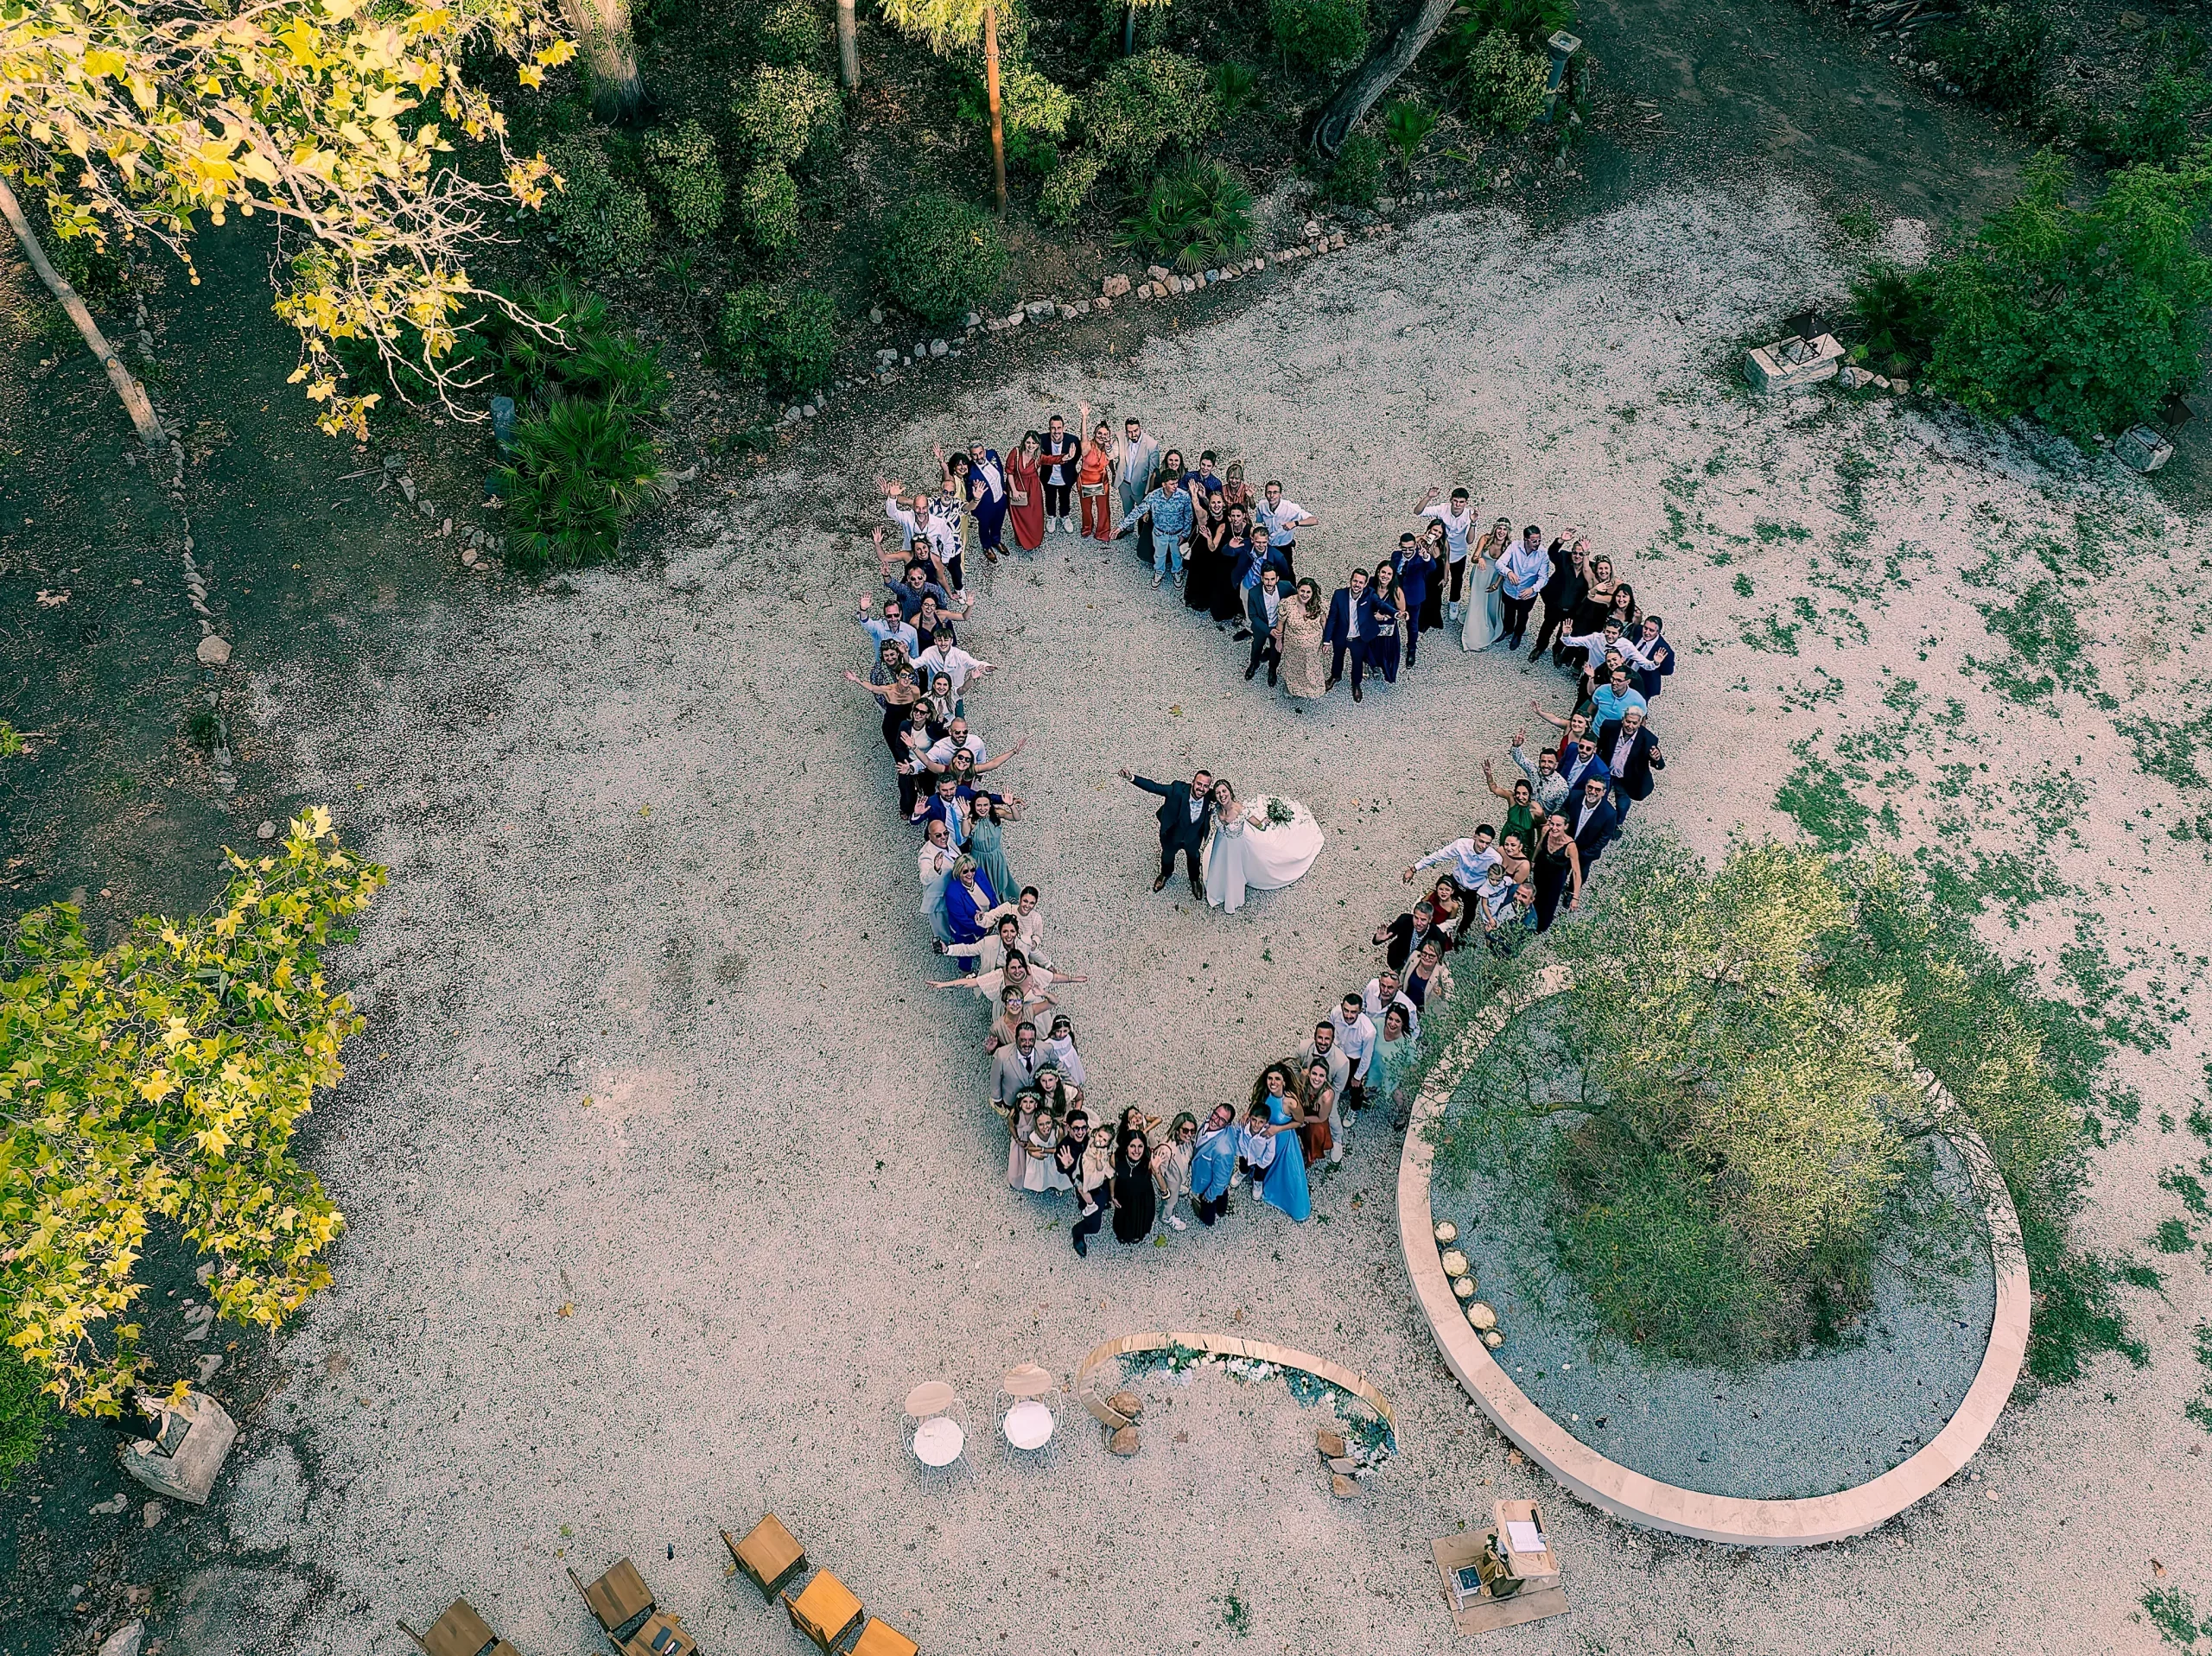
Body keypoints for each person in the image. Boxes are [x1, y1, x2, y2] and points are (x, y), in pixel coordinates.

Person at [1202, 778, 1324, 914]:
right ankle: (1216, 890)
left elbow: (1259, 826)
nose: (1222, 795)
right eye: (1218, 793)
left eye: (1224, 791)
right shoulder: (1214, 809)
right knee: (1218, 866)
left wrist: (1265, 822)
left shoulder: (1241, 810)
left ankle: (1232, 896)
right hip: (1220, 845)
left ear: (1230, 792)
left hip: (1235, 847)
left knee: (1233, 870)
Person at [1119, 765, 1216, 897]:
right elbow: (1155, 787)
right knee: (1167, 857)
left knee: (1194, 858)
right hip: (1172, 836)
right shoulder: (1177, 790)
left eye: (1205, 786)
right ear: (1192, 783)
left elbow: (1226, 798)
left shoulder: (1210, 797)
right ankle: (1165, 874)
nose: (1201, 788)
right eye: (1199, 784)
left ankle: (1194, 880)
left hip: (1193, 838)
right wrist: (1131, 778)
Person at [1247, 1067, 1311, 1221]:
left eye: (1277, 1079)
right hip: (1265, 1135)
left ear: (1283, 1081)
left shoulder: (1290, 1102)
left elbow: (1300, 1122)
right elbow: (1256, 1105)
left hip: (1282, 1138)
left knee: (1288, 1172)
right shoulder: (1264, 1093)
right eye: (1270, 1079)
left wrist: (1278, 1128)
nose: (1273, 1082)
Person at [1415, 485, 1478, 624]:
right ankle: (1429, 603)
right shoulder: (1442, 509)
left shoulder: (1469, 515)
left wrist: (1473, 524)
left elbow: (1470, 541)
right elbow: (1418, 511)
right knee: (1434, 578)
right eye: (1455, 501)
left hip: (1459, 553)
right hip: (1440, 551)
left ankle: (1454, 602)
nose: (1457, 504)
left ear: (1466, 503)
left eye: (1461, 502)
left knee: (1457, 579)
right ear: (1451, 500)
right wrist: (1428, 497)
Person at [1598, 706, 1664, 818]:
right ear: (1623, 719)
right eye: (1628, 721)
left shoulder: (1648, 739)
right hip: (1606, 772)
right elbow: (1601, 745)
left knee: (1622, 804)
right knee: (1598, 795)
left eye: (1634, 723)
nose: (1630, 726)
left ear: (1640, 723)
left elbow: (1660, 765)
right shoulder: (1609, 727)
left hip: (1626, 779)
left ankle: (1618, 822)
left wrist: (1657, 758)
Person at [1111, 416, 1160, 567]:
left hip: (1140, 486)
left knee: (1143, 513)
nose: (1133, 434)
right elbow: (1112, 454)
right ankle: (1128, 527)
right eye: (1129, 432)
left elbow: (1154, 471)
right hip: (1124, 483)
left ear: (1140, 428)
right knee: (1127, 508)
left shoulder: (1152, 445)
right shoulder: (1120, 437)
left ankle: (1142, 535)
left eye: (1135, 431)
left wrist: (1148, 492)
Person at [1062, 1113, 1111, 1256]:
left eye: (1084, 1128)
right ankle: (1078, 1231)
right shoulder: (1068, 1147)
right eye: (1076, 1129)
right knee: (1095, 1226)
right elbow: (1067, 1169)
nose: (1081, 1132)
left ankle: (1102, 1203)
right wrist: (1069, 1166)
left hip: (1102, 1183)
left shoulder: (1093, 1141)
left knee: (1104, 1200)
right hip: (1087, 1186)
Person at [1496, 520, 1549, 651]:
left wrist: (1533, 589)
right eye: (1534, 541)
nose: (1537, 543)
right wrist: (1508, 572)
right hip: (1509, 589)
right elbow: (1499, 564)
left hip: (1528, 593)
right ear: (1525, 539)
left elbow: (1544, 578)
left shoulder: (1543, 554)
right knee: (1508, 611)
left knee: (1523, 615)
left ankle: (1518, 634)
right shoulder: (1514, 546)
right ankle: (1507, 629)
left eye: (1539, 540)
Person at [1368, 1003, 1420, 1131]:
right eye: (1390, 1019)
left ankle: (1402, 1114)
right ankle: (1370, 1095)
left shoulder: (1408, 1043)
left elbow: (1414, 1064)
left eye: (1397, 1021)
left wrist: (1406, 1078)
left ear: (1403, 1023)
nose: (1392, 1023)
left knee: (1397, 1096)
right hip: (1373, 1068)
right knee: (1371, 1086)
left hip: (1392, 1075)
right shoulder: (1376, 1024)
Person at [1357, 562, 1407, 695]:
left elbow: (1401, 610)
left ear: (1393, 576)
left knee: (1384, 651)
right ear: (1378, 572)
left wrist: (1394, 616)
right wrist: (1374, 615)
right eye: (1383, 572)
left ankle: (1378, 667)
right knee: (1367, 648)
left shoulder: (1396, 591)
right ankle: (1366, 664)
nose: (1385, 576)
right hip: (1371, 627)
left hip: (1387, 630)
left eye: (1389, 574)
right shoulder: (1370, 588)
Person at [1402, 824, 1499, 891]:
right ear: (1474, 837)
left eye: (1488, 843)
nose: (1484, 846)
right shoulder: (1462, 844)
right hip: (1455, 880)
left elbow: (1496, 878)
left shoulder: (1495, 858)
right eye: (1481, 841)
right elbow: (1439, 855)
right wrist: (1414, 869)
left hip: (1474, 889)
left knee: (1469, 915)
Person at [1398, 527, 1445, 667]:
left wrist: (1425, 556)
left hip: (1414, 597)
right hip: (1397, 596)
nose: (1407, 551)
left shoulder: (1421, 558)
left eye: (1410, 548)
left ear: (1415, 547)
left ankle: (1411, 649)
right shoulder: (1396, 556)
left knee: (1412, 626)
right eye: (1404, 548)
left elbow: (1431, 566)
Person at [1254, 481, 1316, 585]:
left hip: (1284, 548)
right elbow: (1260, 522)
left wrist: (1295, 523)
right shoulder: (1261, 505)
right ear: (1265, 494)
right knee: (1267, 575)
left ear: (1280, 494)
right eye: (1269, 492)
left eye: (1275, 492)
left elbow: (1314, 520)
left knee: (1287, 575)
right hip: (1268, 547)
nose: (1272, 496)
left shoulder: (1290, 508)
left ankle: (1292, 597)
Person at [1530, 811, 1585, 930]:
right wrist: (1533, 860)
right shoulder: (1546, 831)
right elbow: (1539, 845)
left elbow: (1576, 872)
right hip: (1540, 870)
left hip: (1555, 877)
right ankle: (1529, 920)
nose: (1554, 828)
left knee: (1548, 903)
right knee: (1535, 895)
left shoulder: (1570, 846)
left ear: (1566, 826)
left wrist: (1575, 897)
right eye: (1552, 824)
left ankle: (1541, 927)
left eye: (1558, 825)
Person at [1277, 577, 1329, 699]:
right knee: (1293, 668)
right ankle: (1291, 687)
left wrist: (1327, 641)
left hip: (1313, 649)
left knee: (1311, 669)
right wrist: (1279, 641)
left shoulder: (1319, 604)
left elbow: (1323, 622)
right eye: (1302, 591)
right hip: (1293, 648)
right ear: (1298, 589)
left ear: (1313, 592)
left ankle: (1310, 690)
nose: (1304, 595)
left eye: (1308, 592)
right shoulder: (1287, 604)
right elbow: (1280, 624)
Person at [1460, 518, 1506, 650]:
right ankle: (1474, 634)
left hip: (1496, 577)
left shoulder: (1508, 545)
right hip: (1480, 574)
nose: (1501, 532)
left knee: (1492, 604)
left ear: (1507, 532)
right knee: (1478, 602)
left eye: (1504, 529)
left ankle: (1493, 624)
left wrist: (1497, 584)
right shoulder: (1485, 539)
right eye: (1499, 528)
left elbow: (1506, 567)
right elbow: (1474, 558)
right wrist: (1480, 558)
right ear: (1495, 529)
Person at [1372, 899, 1456, 972]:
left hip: (1418, 969)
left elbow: (1438, 960)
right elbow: (1386, 935)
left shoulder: (1438, 936)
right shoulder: (1404, 920)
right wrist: (1378, 939)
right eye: (1416, 918)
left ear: (1430, 920)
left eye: (1423, 920)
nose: (1418, 923)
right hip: (1397, 960)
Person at [1322, 566, 1369, 695]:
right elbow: (1332, 618)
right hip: (1341, 635)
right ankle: (1335, 676)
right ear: (1350, 580)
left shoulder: (1369, 597)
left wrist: (1395, 614)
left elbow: (1381, 606)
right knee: (1337, 657)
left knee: (1357, 661)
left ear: (1365, 584)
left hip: (1358, 638)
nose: (1357, 585)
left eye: (1360, 582)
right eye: (1355, 581)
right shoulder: (1339, 594)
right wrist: (1326, 640)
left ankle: (1356, 683)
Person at [967, 794, 1022, 901]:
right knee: (983, 885)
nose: (982, 809)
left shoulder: (997, 813)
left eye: (985, 805)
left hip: (996, 857)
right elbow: (964, 834)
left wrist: (1011, 805)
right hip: (979, 858)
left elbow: (1017, 818)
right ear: (974, 806)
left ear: (990, 805)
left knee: (1000, 881)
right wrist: (965, 817)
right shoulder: (971, 820)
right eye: (979, 805)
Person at [1217, 504, 1263, 630]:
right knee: (1226, 586)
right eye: (1233, 516)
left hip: (1242, 562)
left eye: (1238, 515)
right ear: (1230, 516)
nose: (1236, 518)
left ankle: (1240, 611)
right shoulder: (1225, 527)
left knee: (1241, 589)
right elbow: (1218, 547)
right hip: (1227, 560)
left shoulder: (1250, 530)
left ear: (1244, 516)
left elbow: (1258, 545)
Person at [1567, 771, 1621, 873]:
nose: (1592, 792)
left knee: (1580, 873)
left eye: (1597, 789)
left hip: (1586, 853)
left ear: (1604, 792)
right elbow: (1563, 814)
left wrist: (1583, 854)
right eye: (1590, 787)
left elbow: (1603, 838)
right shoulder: (1574, 796)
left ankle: (1572, 889)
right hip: (1566, 845)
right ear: (1586, 787)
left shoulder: (1610, 814)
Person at [1110, 1131, 1158, 1243]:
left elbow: (1163, 1188)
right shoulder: (1115, 1158)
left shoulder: (1149, 1160)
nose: (1136, 1151)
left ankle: (1138, 1234)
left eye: (1140, 1146)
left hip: (1143, 1196)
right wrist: (1112, 1195)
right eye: (1132, 1146)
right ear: (1126, 1147)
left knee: (1141, 1218)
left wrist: (1157, 1171)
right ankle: (1123, 1235)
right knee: (1123, 1218)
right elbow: (1112, 1176)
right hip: (1123, 1194)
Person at [1039, 412, 1082, 534]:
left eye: (1059, 428)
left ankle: (1065, 516)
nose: (1056, 431)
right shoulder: (1042, 439)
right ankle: (1051, 516)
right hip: (1048, 477)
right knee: (1050, 497)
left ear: (1063, 428)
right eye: (1053, 428)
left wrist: (1070, 466)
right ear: (1049, 428)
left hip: (1066, 477)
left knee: (1065, 497)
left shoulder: (1072, 440)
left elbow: (1076, 456)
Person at [1153, 1113, 1198, 1231]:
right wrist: (1164, 1190)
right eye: (1186, 1131)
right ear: (1177, 1130)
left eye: (1192, 1131)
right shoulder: (1166, 1150)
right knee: (1170, 1202)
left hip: (1178, 1179)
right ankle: (1166, 1217)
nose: (1189, 1135)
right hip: (1170, 1183)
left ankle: (1178, 1189)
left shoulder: (1187, 1142)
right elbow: (1157, 1172)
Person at [1076, 404, 1114, 541]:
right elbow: (1083, 435)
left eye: (1105, 434)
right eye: (1099, 433)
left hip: (1102, 481)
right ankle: (1087, 527)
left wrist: (1114, 474)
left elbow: (1112, 461)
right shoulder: (1087, 446)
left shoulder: (1108, 448)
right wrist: (1084, 417)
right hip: (1086, 481)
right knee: (1086, 508)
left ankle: (1103, 531)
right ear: (1095, 434)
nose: (1102, 436)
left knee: (1103, 507)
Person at [943, 854, 1000, 946]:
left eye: (972, 870)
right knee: (966, 956)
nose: (970, 874)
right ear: (958, 872)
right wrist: (984, 929)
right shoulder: (952, 894)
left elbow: (991, 894)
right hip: (967, 931)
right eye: (965, 872)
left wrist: (994, 916)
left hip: (987, 921)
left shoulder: (979, 874)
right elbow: (963, 919)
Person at [1006, 430, 1046, 553]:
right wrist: (1014, 490)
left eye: (1034, 443)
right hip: (1017, 485)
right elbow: (1009, 472)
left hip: (1033, 487)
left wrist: (1066, 457)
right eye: (1028, 442)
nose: (1030, 446)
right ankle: (1022, 539)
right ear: (1024, 442)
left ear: (1038, 444)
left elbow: (1051, 460)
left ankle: (1034, 539)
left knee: (1034, 514)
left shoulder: (1038, 456)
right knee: (1019, 514)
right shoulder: (1016, 452)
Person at [1244, 565, 1284, 684]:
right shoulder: (1253, 593)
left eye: (1272, 579)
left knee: (1276, 651)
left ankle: (1272, 670)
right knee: (1257, 646)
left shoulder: (1286, 588)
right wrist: (1268, 630)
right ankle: (1254, 664)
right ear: (1262, 578)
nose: (1269, 583)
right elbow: (1253, 616)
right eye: (1266, 579)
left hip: (1278, 628)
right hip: (1261, 627)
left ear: (1277, 579)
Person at [990, 1020, 1043, 1110]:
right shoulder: (1001, 1054)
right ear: (1016, 1038)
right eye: (1023, 1040)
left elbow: (1057, 1065)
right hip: (1013, 1101)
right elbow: (995, 1078)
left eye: (1031, 1040)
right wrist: (997, 1099)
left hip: (1039, 1100)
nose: (1027, 1044)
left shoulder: (1045, 1049)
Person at [918, 817, 956, 941]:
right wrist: (935, 868)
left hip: (952, 892)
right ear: (930, 836)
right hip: (938, 898)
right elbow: (924, 878)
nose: (943, 837)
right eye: (938, 835)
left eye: (945, 833)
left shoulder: (948, 841)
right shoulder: (926, 855)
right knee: (941, 928)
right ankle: (944, 947)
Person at [1299, 1057, 1338, 1167]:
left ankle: (1310, 1158)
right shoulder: (1304, 1076)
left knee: (1315, 1134)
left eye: (1321, 1076)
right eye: (1314, 1073)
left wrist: (1303, 1119)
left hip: (1316, 1118)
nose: (1317, 1078)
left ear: (1326, 1078)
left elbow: (1322, 1118)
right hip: (1304, 1108)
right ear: (1309, 1073)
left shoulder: (1327, 1096)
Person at [1038, 1012, 1085, 1086]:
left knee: (1073, 1076)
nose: (1062, 1035)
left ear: (1069, 1029)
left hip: (1071, 1060)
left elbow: (1073, 1044)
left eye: (1065, 1031)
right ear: (1054, 1030)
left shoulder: (1070, 1036)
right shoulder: (1049, 1043)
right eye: (1058, 1031)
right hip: (1059, 1065)